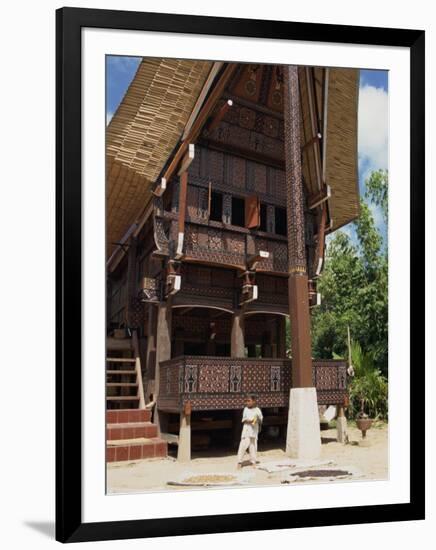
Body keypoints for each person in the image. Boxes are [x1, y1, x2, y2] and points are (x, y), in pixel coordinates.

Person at [237, 394, 263, 469]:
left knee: (253, 446)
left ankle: (253, 461)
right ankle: (239, 462)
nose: (247, 402)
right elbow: (244, 419)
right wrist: (250, 421)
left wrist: (257, 420)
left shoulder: (258, 410)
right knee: (243, 445)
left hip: (254, 431)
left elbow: (260, 419)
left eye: (249, 401)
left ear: (254, 401)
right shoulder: (246, 409)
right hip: (247, 430)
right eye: (246, 401)